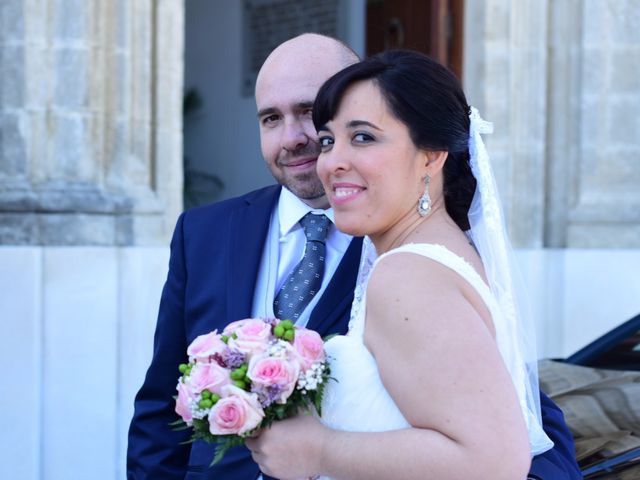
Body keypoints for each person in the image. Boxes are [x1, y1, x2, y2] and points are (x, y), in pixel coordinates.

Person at [128, 34, 579, 479]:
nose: (304, 145)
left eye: (355, 132)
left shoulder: (412, 269)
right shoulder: (204, 232)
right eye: (271, 119)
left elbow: (509, 428)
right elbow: (162, 404)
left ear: (431, 154)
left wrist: (322, 452)